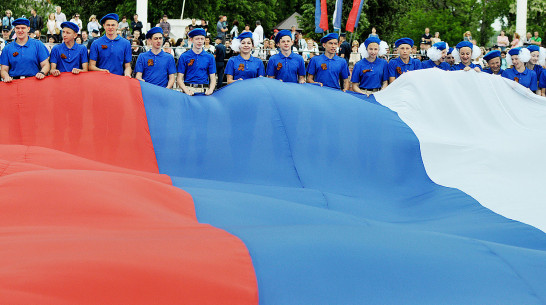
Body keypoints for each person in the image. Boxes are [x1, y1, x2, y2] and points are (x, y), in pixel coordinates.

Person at [177, 28, 216, 95]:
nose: (200, 41)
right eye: (197, 39)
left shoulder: (210, 57)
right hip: (188, 90)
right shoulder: (184, 56)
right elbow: (179, 78)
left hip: (204, 91)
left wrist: (211, 90)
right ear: (191, 40)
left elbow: (213, 78)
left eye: (202, 39)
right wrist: (186, 91)